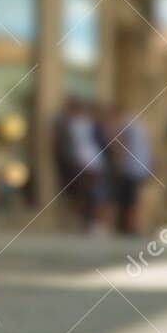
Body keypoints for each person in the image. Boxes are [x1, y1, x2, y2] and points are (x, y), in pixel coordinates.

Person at [53, 97, 109, 232]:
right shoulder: (77, 124)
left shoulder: (75, 124)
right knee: (85, 193)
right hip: (87, 163)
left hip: (86, 163)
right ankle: (86, 221)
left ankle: (87, 221)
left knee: (86, 194)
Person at [108, 106, 154, 235]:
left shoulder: (126, 124)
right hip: (141, 167)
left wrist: (118, 164)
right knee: (134, 199)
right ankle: (133, 226)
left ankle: (129, 226)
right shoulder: (139, 125)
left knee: (128, 200)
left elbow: (122, 144)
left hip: (131, 168)